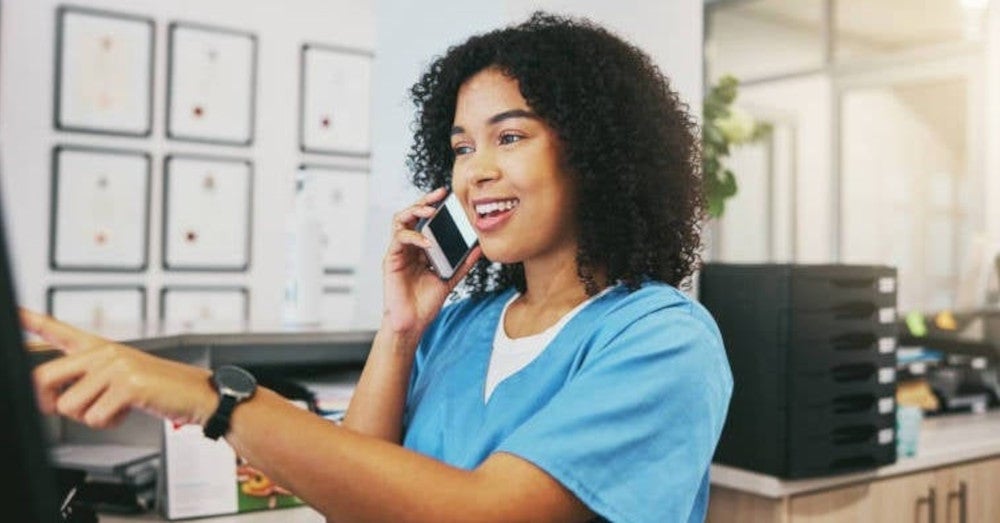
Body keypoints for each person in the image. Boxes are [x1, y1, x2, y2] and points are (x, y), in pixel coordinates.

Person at [23, 12, 732, 523]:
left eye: (509, 136)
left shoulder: (664, 338)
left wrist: (216, 398)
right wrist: (400, 330)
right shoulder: (460, 326)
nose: (476, 171)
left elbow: (490, 512)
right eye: (460, 147)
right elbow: (352, 489)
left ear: (597, 156)